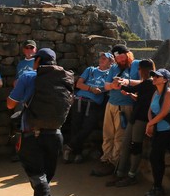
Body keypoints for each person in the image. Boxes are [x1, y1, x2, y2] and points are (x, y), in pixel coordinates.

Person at [6, 48, 75, 196]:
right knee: (44, 178)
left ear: (37, 61)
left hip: (31, 134)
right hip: (55, 134)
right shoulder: (65, 79)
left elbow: (10, 103)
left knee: (36, 175)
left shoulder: (29, 76)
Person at [92, 44, 140, 177]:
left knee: (120, 136)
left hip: (125, 106)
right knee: (107, 134)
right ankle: (105, 158)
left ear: (128, 54)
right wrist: (113, 85)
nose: (121, 60)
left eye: (123, 57)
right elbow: (106, 86)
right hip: (111, 104)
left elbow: (145, 81)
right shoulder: (114, 68)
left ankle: (115, 163)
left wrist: (127, 81)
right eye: (118, 58)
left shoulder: (137, 65)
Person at [108, 59, 156, 187]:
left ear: (144, 70)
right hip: (135, 116)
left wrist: (120, 84)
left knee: (135, 146)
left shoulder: (150, 83)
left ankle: (131, 175)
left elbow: (133, 88)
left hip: (141, 118)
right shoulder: (147, 83)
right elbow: (139, 97)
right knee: (126, 144)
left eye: (140, 69)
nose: (138, 71)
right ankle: (120, 173)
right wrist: (129, 93)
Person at [65, 51, 114, 164]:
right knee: (75, 127)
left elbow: (108, 87)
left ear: (110, 63)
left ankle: (68, 146)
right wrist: (91, 89)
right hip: (80, 100)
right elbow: (78, 84)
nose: (101, 59)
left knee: (87, 127)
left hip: (94, 104)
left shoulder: (110, 75)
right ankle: (77, 153)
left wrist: (99, 89)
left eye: (104, 58)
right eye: (101, 57)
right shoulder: (90, 70)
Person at [144, 68, 170, 196]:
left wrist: (149, 124)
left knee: (155, 157)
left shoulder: (169, 93)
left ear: (165, 79)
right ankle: (157, 186)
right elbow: (150, 110)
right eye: (153, 76)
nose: (154, 78)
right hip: (157, 129)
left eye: (157, 76)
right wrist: (151, 123)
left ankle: (158, 187)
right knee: (155, 157)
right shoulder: (156, 93)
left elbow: (164, 113)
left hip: (165, 130)